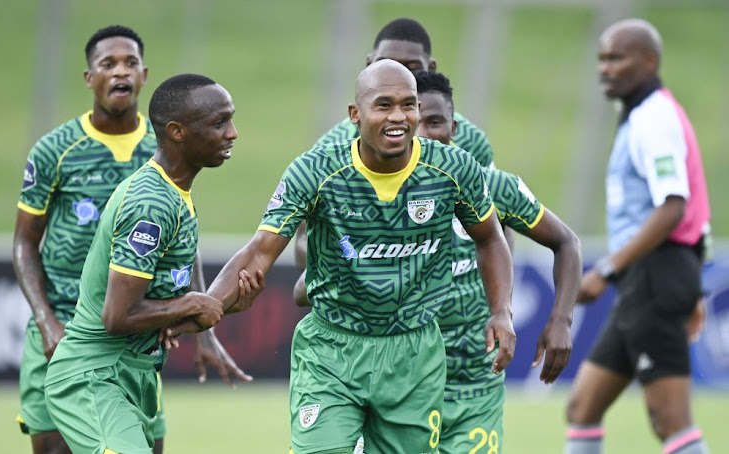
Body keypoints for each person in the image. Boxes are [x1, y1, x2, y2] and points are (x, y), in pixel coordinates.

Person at [197, 60, 515, 454]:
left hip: (414, 354)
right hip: (333, 350)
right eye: (383, 105)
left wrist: (500, 310)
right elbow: (259, 252)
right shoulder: (316, 171)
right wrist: (205, 307)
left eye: (408, 105)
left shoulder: (452, 168)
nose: (398, 116)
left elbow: (490, 239)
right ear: (355, 114)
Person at [293, 70, 582, 454]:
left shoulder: (489, 188)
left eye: (436, 122)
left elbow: (565, 241)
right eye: (420, 122)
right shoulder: (377, 201)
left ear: (454, 128)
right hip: (399, 378)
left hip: (472, 384)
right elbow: (311, 276)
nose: (425, 133)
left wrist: (559, 319)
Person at [13, 26, 250, 454]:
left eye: (130, 62)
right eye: (221, 122)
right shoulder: (145, 194)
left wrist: (210, 312)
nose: (233, 133)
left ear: (144, 74)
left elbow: (174, 277)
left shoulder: (174, 184)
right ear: (177, 131)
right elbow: (117, 315)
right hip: (92, 360)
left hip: (135, 358)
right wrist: (194, 304)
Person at [564, 19, 711, 454]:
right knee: (582, 407)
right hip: (653, 279)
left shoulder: (653, 119)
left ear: (649, 61)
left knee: (670, 421)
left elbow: (674, 206)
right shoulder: (645, 115)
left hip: (654, 276)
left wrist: (606, 270)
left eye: (616, 57)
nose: (605, 68)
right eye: (601, 59)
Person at [295, 17, 501, 267]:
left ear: (431, 68)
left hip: (443, 290)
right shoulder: (332, 146)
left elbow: (498, 223)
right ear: (369, 64)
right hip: (360, 295)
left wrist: (498, 301)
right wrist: (353, 266)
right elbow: (303, 240)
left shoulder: (470, 141)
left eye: (412, 67)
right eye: (386, 64)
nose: (398, 75)